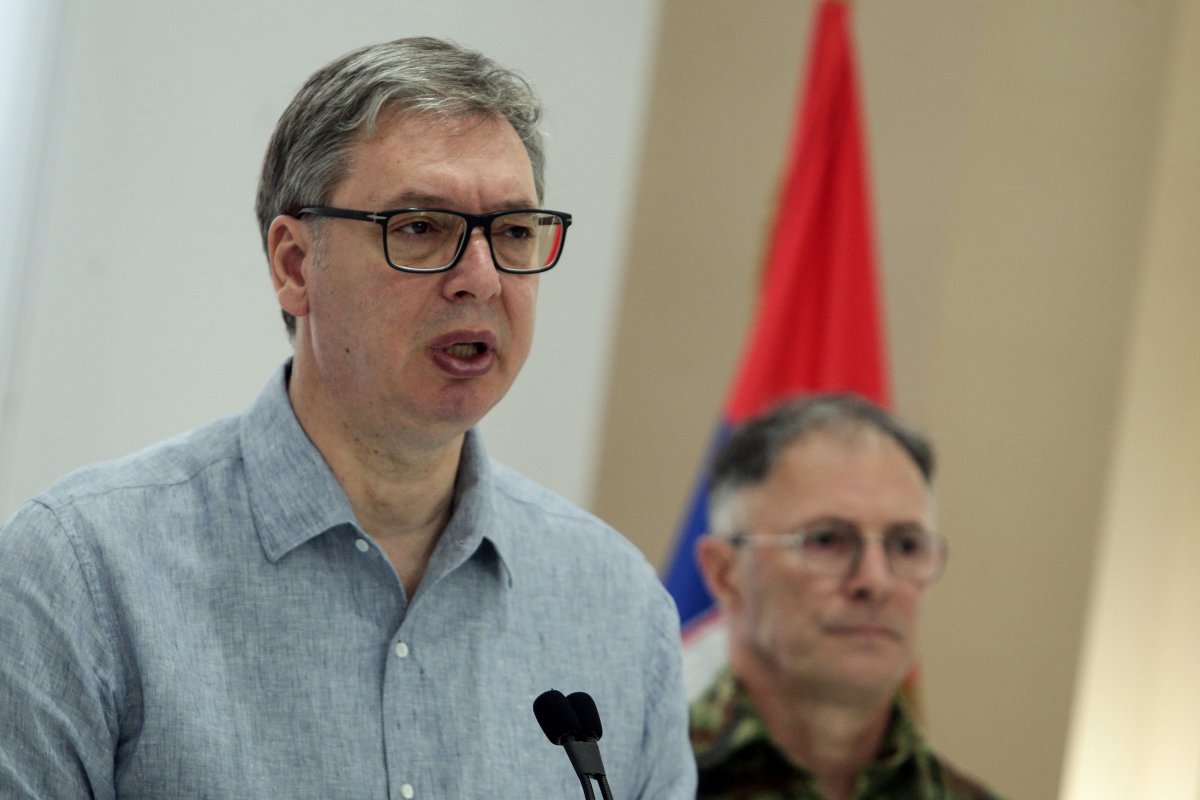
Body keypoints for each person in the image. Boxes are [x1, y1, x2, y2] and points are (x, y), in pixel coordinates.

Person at [0, 37, 695, 798]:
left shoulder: (617, 605)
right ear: (295, 264)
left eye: (514, 232)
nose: (482, 278)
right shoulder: (84, 573)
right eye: (421, 227)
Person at [689, 394, 1004, 799]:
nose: (876, 581)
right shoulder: (643, 780)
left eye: (906, 546)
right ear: (726, 573)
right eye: (827, 540)